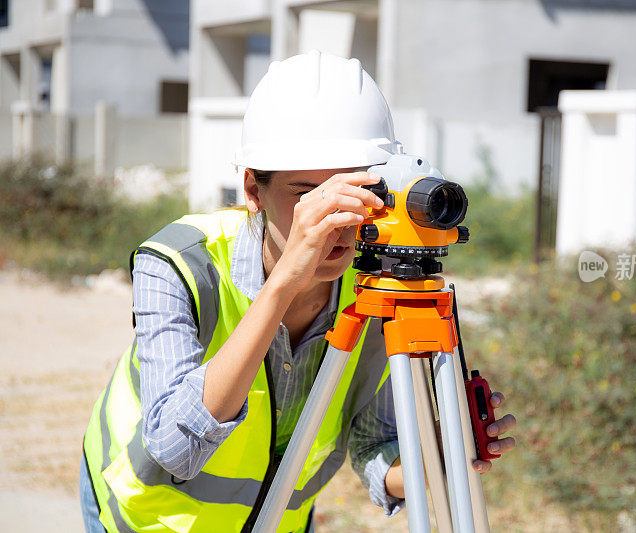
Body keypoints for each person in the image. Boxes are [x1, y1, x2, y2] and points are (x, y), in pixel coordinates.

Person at [80, 50, 516, 533]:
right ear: (253, 189)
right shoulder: (178, 263)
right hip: (144, 519)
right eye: (306, 193)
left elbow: (375, 449)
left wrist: (438, 453)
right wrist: (286, 280)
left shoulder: (377, 289)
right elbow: (173, 448)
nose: (334, 217)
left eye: (352, 190)